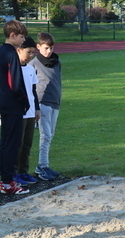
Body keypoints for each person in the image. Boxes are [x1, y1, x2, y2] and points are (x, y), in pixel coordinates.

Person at [0, 20, 30, 195]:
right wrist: (25, 101)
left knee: (5, 142)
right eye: (22, 37)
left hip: (3, 102)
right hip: (12, 105)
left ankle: (5, 179)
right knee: (12, 143)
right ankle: (8, 182)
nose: (23, 40)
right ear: (12, 35)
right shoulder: (11, 54)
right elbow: (15, 83)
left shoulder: (1, 51)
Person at [29, 32, 62, 181]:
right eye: (46, 48)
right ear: (39, 47)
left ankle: (45, 165)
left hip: (55, 102)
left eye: (51, 48)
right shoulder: (34, 64)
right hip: (42, 103)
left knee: (50, 135)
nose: (49, 51)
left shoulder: (57, 62)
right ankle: (41, 167)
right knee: (45, 135)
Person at [14, 36, 40, 186]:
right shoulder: (12, 69)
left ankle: (23, 171)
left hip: (30, 113)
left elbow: (34, 91)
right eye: (29, 52)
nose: (31, 55)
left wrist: (36, 108)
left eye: (33, 53)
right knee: (17, 143)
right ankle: (14, 173)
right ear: (19, 50)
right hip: (17, 112)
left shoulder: (30, 69)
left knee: (27, 144)